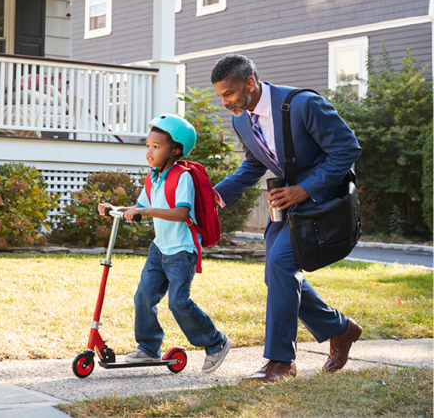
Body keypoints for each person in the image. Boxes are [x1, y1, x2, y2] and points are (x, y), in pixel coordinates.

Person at [211, 54, 363, 383]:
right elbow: (254, 164)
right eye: (220, 95)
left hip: (323, 201)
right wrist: (215, 195)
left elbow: (347, 149)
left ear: (250, 83)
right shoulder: (241, 119)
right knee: (277, 272)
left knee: (280, 265)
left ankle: (281, 362)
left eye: (228, 94)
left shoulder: (303, 104)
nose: (224, 102)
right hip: (288, 205)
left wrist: (304, 190)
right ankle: (340, 328)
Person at [98, 115, 232, 374]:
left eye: (156, 147)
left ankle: (216, 342)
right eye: (148, 145)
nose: (149, 151)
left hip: (182, 251)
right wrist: (117, 208)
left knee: (178, 303)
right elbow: (140, 206)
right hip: (160, 248)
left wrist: (147, 212)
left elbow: (182, 213)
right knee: (144, 296)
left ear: (175, 151)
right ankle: (148, 348)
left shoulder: (182, 176)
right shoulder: (153, 177)